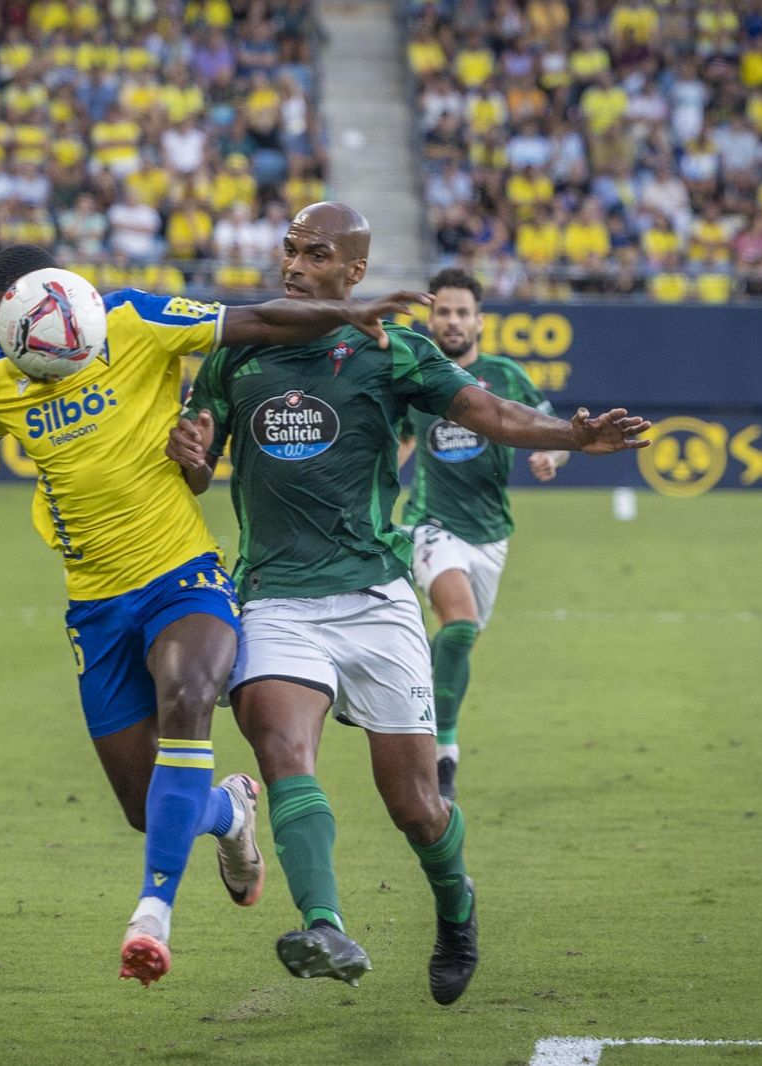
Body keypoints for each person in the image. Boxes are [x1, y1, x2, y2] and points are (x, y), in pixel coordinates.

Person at [0, 244, 424, 988]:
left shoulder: (133, 318)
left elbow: (256, 320)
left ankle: (151, 919)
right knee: (142, 807)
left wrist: (346, 311)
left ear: (53, 299)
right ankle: (225, 812)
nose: (10, 339)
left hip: (183, 574)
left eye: (11, 319)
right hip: (95, 601)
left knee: (189, 702)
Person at [168, 203, 649, 1004]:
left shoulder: (393, 351)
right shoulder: (237, 351)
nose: (293, 264)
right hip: (275, 597)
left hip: (373, 596)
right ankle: (323, 923)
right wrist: (187, 456)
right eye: (288, 250)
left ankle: (456, 907)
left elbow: (488, 413)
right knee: (283, 751)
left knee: (417, 807)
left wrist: (572, 436)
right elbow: (198, 458)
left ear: (353, 271)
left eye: (315, 254)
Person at [396, 268, 567, 801]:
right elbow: (394, 446)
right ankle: (443, 753)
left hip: (491, 534)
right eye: (443, 311)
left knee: (457, 640)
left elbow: (554, 430)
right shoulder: (418, 376)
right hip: (431, 523)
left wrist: (551, 453)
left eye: (462, 312)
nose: (452, 321)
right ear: (431, 318)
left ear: (479, 322)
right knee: (462, 624)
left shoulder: (506, 377)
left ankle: (406, 671)